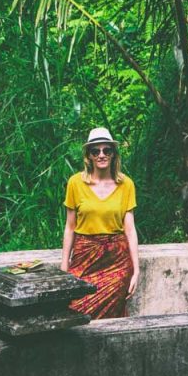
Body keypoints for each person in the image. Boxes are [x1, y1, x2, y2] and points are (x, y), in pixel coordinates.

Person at [60, 127, 139, 319]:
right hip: (84, 256)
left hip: (116, 261)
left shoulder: (126, 184)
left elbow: (129, 230)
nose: (101, 155)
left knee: (111, 316)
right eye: (96, 151)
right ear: (89, 156)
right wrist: (64, 267)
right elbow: (70, 228)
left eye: (107, 150)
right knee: (76, 306)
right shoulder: (75, 183)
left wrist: (136, 269)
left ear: (113, 154)